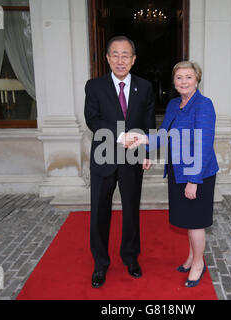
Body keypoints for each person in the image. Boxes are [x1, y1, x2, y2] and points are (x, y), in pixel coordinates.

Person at [128, 61, 219, 287]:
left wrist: (194, 181)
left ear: (197, 79)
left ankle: (198, 264)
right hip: (178, 171)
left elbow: (203, 146)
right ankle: (191, 258)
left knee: (196, 222)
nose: (184, 82)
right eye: (179, 78)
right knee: (188, 220)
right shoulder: (173, 104)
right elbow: (163, 134)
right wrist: (145, 147)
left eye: (189, 77)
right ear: (174, 81)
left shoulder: (204, 105)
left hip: (198, 174)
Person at [84, 36, 156, 288]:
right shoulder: (94, 86)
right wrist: (121, 135)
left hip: (133, 157)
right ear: (107, 58)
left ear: (133, 59)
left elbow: (148, 122)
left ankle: (130, 258)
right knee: (99, 213)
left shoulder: (145, 87)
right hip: (103, 155)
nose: (120, 60)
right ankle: (100, 264)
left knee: (131, 211)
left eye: (125, 55)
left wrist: (148, 151)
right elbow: (92, 120)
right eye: (115, 54)